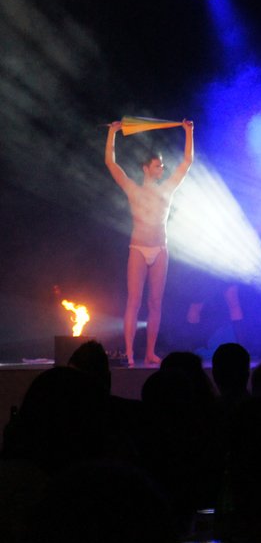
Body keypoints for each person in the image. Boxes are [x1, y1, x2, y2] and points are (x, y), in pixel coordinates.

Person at [105, 119, 194, 366]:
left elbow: (187, 162)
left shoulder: (166, 190)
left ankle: (150, 352)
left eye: (162, 166)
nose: (162, 169)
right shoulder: (134, 190)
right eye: (158, 166)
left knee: (155, 303)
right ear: (146, 168)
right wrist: (112, 133)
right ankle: (129, 352)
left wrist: (188, 132)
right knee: (133, 301)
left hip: (160, 248)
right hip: (138, 248)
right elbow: (111, 163)